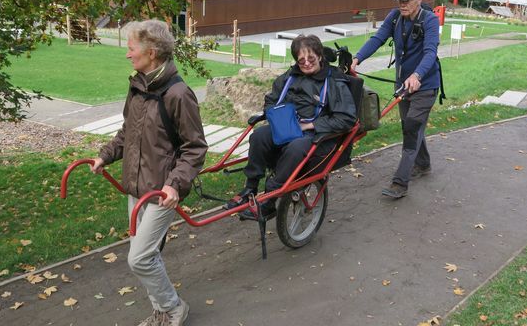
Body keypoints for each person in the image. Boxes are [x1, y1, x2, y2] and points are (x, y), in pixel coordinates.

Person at [91, 19, 207, 326]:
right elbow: (127, 132)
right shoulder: (139, 86)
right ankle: (162, 313)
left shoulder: (178, 94)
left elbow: (195, 148)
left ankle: (174, 308)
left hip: (161, 192)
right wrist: (105, 156)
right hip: (135, 188)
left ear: (152, 52)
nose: (128, 55)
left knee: (140, 258)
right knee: (146, 258)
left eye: (132, 49)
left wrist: (175, 185)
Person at [225, 34, 357, 218]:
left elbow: (347, 118)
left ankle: (269, 200)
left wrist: (310, 125)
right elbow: (271, 100)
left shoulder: (333, 82)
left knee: (296, 147)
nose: (307, 63)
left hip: (317, 134)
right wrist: (279, 119)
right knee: (259, 135)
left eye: (311, 58)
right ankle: (250, 188)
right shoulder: (290, 76)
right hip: (288, 128)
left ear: (319, 56)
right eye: (301, 60)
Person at [351, 0, 440, 199]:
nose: (402, 3)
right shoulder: (395, 17)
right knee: (411, 126)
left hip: (425, 85)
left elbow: (430, 52)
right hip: (403, 85)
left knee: (411, 128)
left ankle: (400, 183)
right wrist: (357, 58)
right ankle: (424, 164)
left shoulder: (430, 20)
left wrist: (417, 75)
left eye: (406, 0)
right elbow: (378, 38)